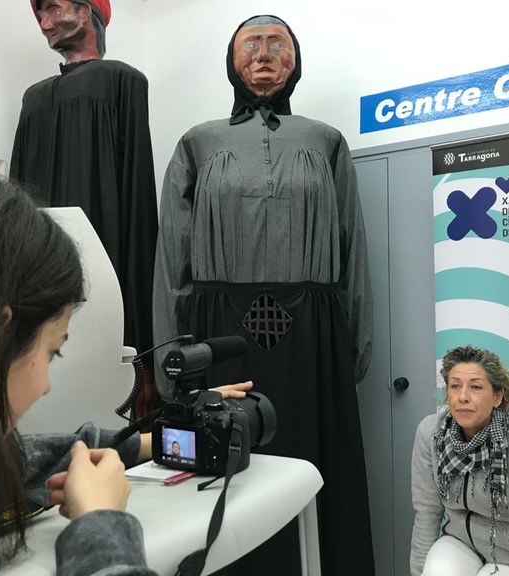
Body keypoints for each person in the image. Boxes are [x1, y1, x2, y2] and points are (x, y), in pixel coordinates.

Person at [0, 171, 252, 575]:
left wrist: (156, 441)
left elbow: (1, 462)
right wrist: (100, 522)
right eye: (53, 351)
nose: (46, 386)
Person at [152, 14, 374, 575]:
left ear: (295, 61)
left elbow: (353, 247)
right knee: (225, 475)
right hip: (218, 337)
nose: (264, 53)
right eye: (250, 43)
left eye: (278, 43)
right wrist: (169, 359)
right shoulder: (198, 142)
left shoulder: (326, 141)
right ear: (232, 62)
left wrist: (354, 345)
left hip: (314, 339)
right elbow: (172, 259)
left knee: (312, 471)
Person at [10, 0, 161, 420]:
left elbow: (137, 204)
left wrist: (144, 355)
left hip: (106, 281)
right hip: (40, 284)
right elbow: (18, 201)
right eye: (39, 15)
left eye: (52, 9)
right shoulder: (33, 98)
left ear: (85, 10)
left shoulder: (122, 81)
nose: (44, 23)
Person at [410, 345, 509, 576]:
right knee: (438, 570)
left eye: (475, 387)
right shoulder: (431, 433)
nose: (463, 396)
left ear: (497, 397)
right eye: (455, 386)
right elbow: (427, 511)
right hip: (460, 542)